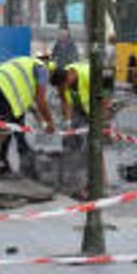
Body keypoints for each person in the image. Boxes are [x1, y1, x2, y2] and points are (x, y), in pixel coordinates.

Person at [0, 56, 57, 176]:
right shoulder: (43, 69)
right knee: (7, 131)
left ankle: (19, 164)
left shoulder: (28, 63)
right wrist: (49, 121)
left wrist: (40, 120)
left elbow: (30, 102)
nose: (47, 82)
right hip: (3, 90)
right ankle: (2, 163)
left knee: (13, 129)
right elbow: (40, 100)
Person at [51, 62, 91, 197]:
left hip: (96, 109)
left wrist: (99, 123)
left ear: (69, 76)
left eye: (64, 86)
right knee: (68, 142)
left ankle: (94, 185)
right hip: (79, 107)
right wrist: (67, 122)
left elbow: (104, 99)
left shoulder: (88, 75)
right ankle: (71, 179)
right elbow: (65, 101)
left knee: (90, 147)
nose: (63, 89)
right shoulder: (63, 78)